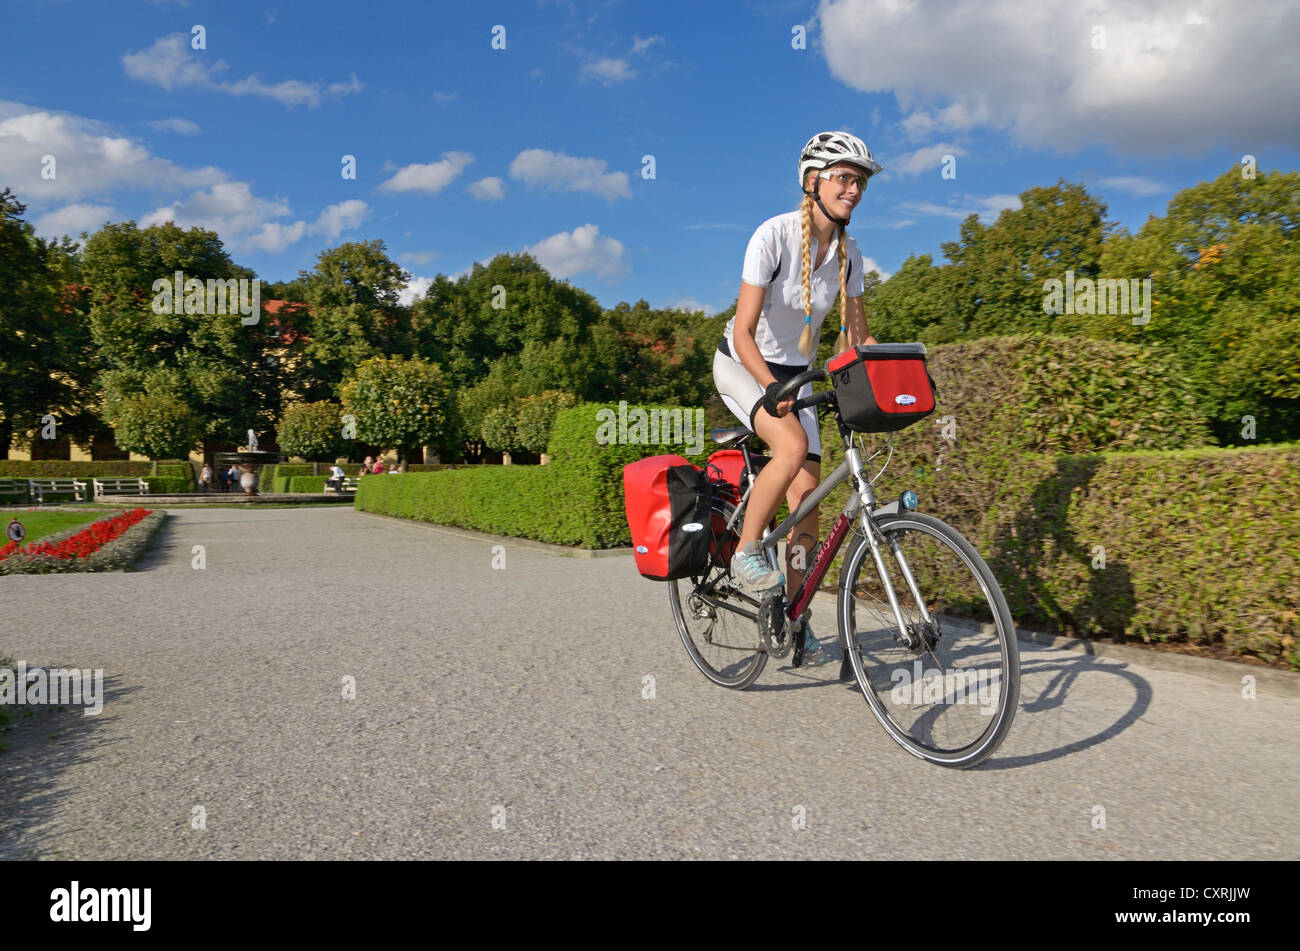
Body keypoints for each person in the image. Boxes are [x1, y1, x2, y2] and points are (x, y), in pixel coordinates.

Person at [712, 131, 882, 665]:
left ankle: (794, 612)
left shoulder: (850, 254)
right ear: (813, 182)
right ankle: (744, 552)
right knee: (787, 449)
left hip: (798, 374)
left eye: (859, 181)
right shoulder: (773, 235)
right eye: (844, 178)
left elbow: (857, 336)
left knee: (807, 502)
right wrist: (771, 388)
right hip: (745, 365)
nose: (853, 189)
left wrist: (894, 368)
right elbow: (743, 332)